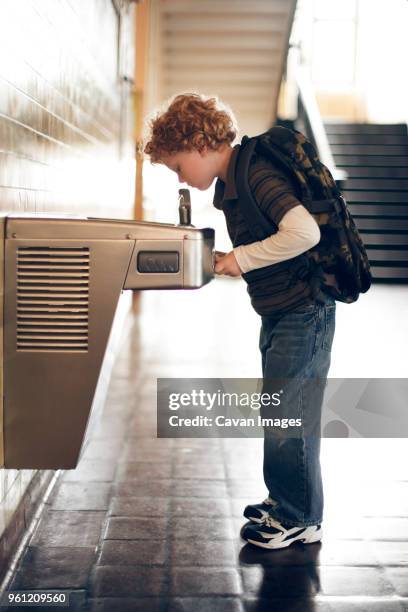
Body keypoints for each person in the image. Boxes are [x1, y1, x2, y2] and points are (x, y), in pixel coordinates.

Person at [144, 92, 336, 550]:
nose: (180, 177)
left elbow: (304, 232)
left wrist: (240, 259)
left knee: (290, 416)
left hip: (304, 310)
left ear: (200, 144)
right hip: (282, 310)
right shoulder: (234, 181)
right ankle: (287, 499)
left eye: (177, 165)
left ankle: (299, 517)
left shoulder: (255, 173)